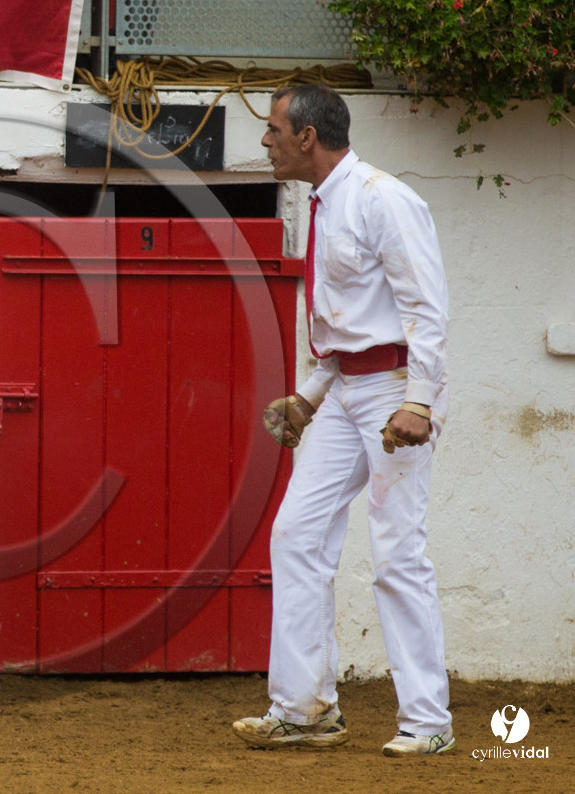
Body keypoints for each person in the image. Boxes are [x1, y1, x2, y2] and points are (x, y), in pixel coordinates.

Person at [232, 84, 454, 756]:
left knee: (396, 550)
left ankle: (427, 721)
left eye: (273, 130)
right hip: (352, 387)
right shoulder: (326, 202)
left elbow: (426, 307)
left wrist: (419, 399)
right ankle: (305, 711)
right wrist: (307, 395)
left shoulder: (383, 197)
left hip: (392, 390)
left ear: (307, 136)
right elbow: (344, 326)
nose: (265, 141)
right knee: (297, 534)